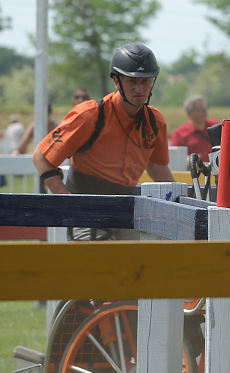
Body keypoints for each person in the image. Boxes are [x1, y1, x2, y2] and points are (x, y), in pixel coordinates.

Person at [31, 43, 174, 240]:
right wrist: (66, 200)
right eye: (132, 81)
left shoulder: (155, 120)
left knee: (135, 268)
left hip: (129, 210)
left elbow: (156, 167)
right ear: (116, 81)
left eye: (146, 81)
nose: (140, 88)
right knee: (95, 267)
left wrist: (179, 202)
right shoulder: (89, 115)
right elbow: (41, 157)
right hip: (86, 210)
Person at [171, 94, 218, 162]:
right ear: (190, 112)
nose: (205, 113)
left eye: (205, 109)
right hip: (193, 171)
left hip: (217, 171)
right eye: (201, 110)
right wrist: (190, 159)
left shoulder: (216, 127)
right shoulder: (180, 133)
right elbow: (174, 158)